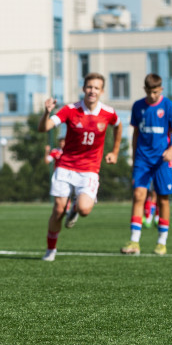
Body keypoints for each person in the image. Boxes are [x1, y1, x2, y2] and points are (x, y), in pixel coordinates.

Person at [37, 73, 122, 261]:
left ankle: (75, 206)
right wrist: (46, 113)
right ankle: (51, 249)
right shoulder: (70, 110)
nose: (92, 91)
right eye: (89, 87)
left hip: (90, 170)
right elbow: (44, 128)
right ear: (83, 88)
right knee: (58, 210)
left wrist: (115, 151)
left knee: (85, 210)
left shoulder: (108, 113)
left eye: (96, 88)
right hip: (66, 167)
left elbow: (118, 125)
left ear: (102, 91)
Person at [121, 73, 172, 256]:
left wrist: (171, 150)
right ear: (144, 90)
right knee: (139, 195)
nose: (152, 95)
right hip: (142, 159)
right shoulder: (138, 106)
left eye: (155, 92)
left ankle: (161, 242)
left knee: (163, 198)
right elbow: (135, 134)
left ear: (161, 89)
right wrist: (134, 157)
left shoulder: (169, 106)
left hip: (162, 160)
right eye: (149, 91)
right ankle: (134, 241)